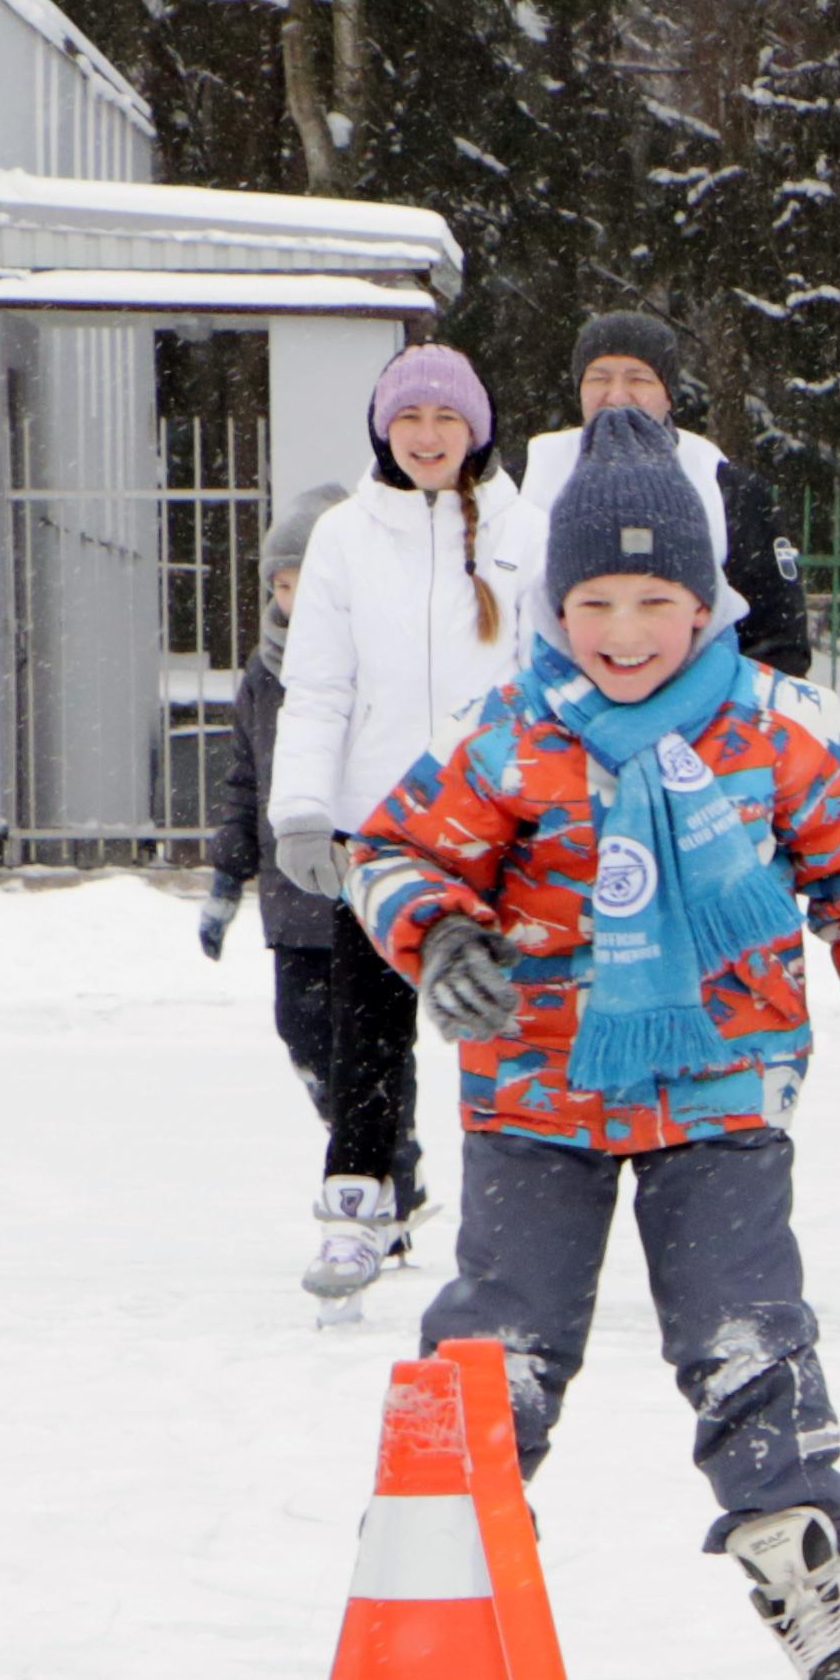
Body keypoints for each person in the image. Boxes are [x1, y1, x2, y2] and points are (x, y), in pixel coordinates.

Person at [350, 407, 840, 1680]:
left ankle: (804, 1570)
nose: (624, 633)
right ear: (553, 608)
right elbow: (392, 851)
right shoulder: (506, 732)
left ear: (707, 604)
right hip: (536, 1098)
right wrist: (439, 932)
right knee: (498, 1340)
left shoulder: (777, 728)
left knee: (747, 1329)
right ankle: (433, 1579)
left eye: (655, 601)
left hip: (723, 1090)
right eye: (594, 603)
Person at [264, 345, 540, 1304]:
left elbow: (553, 687)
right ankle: (358, 1209)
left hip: (503, 828)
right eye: (411, 419)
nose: (429, 437)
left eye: (448, 419)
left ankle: (519, 1219)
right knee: (366, 1032)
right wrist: (302, 811)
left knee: (510, 1030)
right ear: (385, 428)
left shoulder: (526, 531)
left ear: (479, 429)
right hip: (378, 830)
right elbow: (317, 687)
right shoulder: (344, 535)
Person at [203, 484, 411, 1310]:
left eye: (307, 578)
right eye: (282, 581)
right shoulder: (261, 675)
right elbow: (244, 778)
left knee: (372, 1036)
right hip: (292, 895)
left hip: (361, 882)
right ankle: (363, 1133)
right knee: (303, 1028)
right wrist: (227, 874)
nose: (294, 596)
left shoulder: (369, 658)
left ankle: (386, 1159)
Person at [505, 310, 815, 682]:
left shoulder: (728, 488)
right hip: (550, 717)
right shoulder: (526, 474)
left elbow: (778, 641)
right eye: (599, 378)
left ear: (669, 394)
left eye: (639, 379)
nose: (617, 396)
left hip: (696, 724)